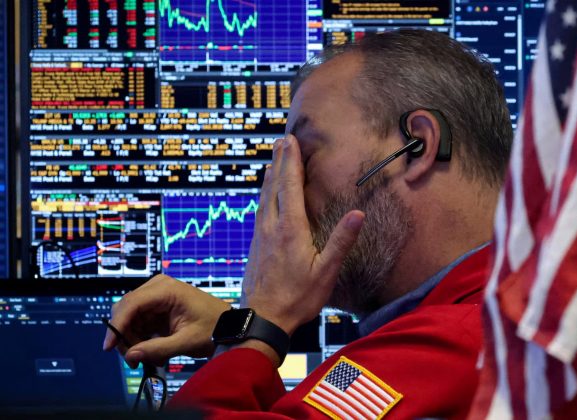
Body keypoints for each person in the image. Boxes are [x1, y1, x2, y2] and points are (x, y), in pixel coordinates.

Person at [104, 29, 513, 418]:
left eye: (306, 157)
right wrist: (240, 331)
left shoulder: (459, 340)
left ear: (418, 147)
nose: (286, 192)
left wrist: (256, 327)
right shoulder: (486, 321)